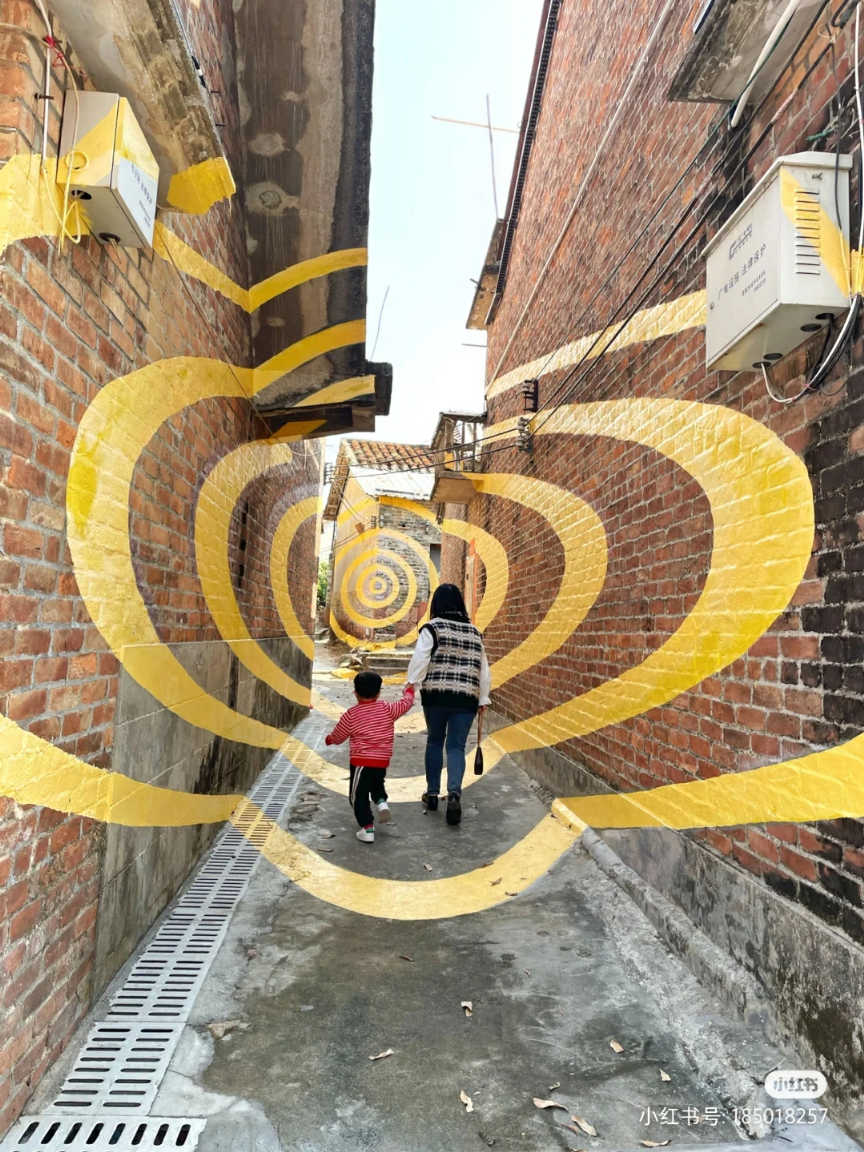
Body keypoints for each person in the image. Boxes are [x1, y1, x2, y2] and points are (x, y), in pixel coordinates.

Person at [406, 583, 491, 827]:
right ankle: (454, 794)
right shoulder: (475, 632)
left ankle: (432, 794)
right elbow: (483, 669)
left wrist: (411, 683)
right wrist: (483, 698)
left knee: (434, 741)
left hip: (436, 696)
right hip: (466, 698)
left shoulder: (432, 628)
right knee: (456, 747)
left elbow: (421, 658)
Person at [324, 670, 415, 843]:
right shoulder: (387, 708)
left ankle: (367, 828)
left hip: (361, 762)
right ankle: (381, 803)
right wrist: (409, 691)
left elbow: (338, 735)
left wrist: (329, 739)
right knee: (376, 784)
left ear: (355, 693)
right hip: (382, 760)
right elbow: (406, 703)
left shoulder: (351, 714)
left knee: (357, 796)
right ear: (379, 692)